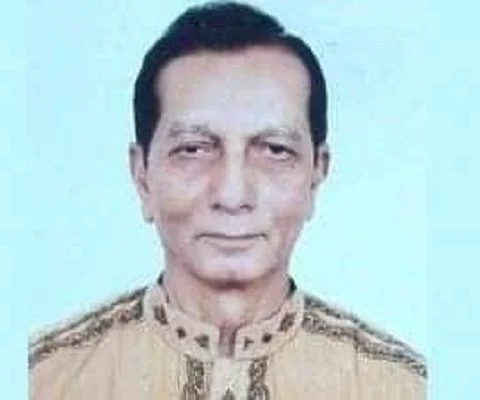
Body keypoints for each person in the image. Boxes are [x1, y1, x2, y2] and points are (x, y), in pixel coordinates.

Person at [28, 2, 426, 399]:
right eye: (193, 149)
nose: (232, 196)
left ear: (316, 174)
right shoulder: (44, 377)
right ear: (142, 174)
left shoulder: (400, 385)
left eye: (274, 150)